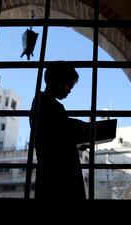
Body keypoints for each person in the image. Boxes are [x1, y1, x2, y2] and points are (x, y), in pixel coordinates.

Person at [30, 61, 88, 200]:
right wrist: (79, 126)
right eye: (69, 85)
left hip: (50, 174)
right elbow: (56, 131)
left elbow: (55, 133)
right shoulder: (48, 104)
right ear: (56, 80)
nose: (69, 90)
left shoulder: (41, 101)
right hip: (59, 174)